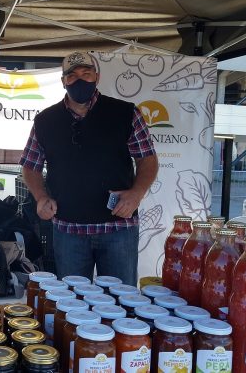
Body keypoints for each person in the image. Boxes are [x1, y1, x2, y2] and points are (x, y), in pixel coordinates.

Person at [20, 51, 158, 286]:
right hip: (68, 229)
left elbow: (148, 159)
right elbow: (30, 166)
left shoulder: (126, 113)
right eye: (72, 76)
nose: (80, 80)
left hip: (118, 228)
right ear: (63, 81)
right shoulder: (45, 120)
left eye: (86, 73)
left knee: (120, 301)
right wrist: (41, 197)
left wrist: (136, 194)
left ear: (97, 77)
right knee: (72, 303)